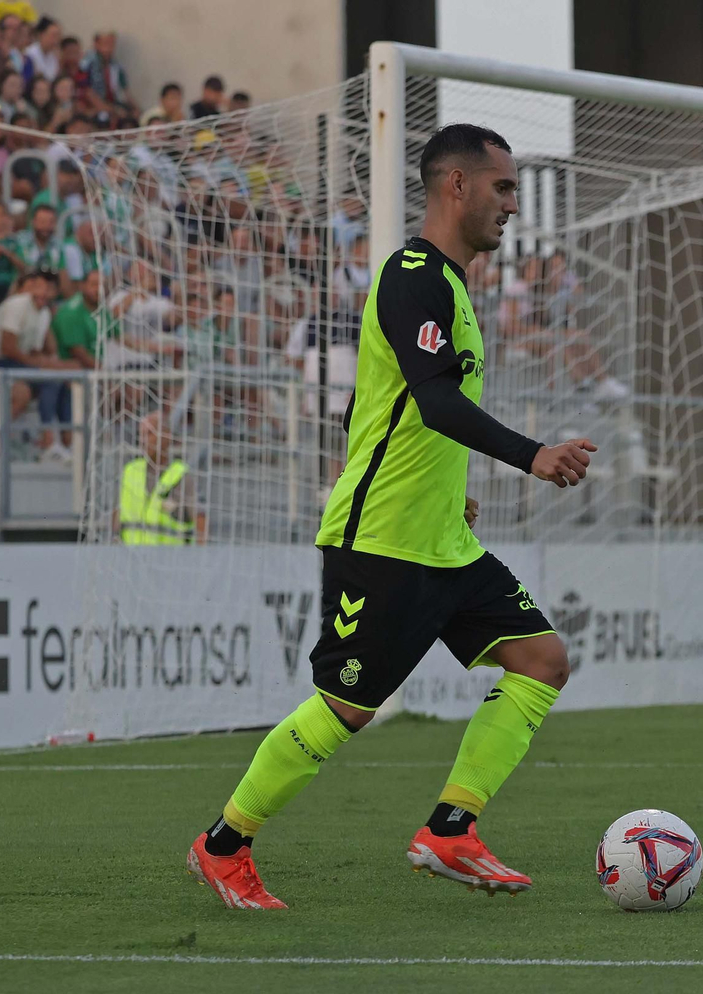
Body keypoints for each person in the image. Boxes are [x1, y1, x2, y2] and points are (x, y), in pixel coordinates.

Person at [186, 123, 599, 908]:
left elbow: (373, 408)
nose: (512, 206)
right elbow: (437, 402)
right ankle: (222, 845)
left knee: (542, 660)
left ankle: (451, 830)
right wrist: (532, 454)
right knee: (346, 709)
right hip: (381, 541)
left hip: (439, 536)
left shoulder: (452, 285)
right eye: (503, 188)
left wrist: (445, 488)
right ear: (456, 186)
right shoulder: (414, 273)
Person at [0, 268, 75, 459]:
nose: (43, 291)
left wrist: (46, 362)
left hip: (16, 362)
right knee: (51, 379)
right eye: (39, 286)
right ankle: (47, 439)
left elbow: (35, 350)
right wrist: (41, 365)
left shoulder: (44, 313)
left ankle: (67, 442)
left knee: (64, 380)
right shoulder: (17, 304)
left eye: (48, 288)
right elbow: (7, 347)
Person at [116, 409, 204, 544]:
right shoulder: (130, 470)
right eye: (141, 435)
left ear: (166, 437)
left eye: (149, 434)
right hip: (132, 557)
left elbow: (200, 520)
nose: (143, 441)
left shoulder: (181, 475)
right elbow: (118, 515)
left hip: (169, 560)